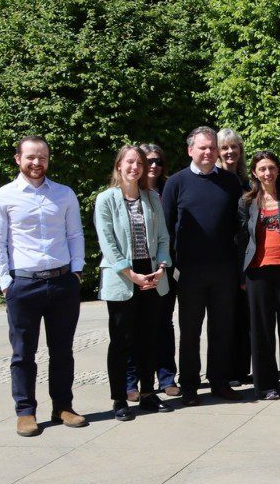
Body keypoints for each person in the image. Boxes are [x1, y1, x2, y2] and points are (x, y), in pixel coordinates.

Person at [0, 136, 87, 436]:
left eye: (42, 157)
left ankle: (63, 407)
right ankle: (25, 411)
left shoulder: (64, 194)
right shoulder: (1, 197)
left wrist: (76, 272)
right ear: (18, 159)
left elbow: (75, 234)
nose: (37, 162)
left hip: (62, 282)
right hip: (23, 285)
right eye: (31, 157)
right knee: (23, 353)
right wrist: (5, 283)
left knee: (63, 350)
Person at [162, 126, 244, 406]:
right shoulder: (176, 183)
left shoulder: (230, 182)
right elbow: (167, 228)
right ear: (190, 150)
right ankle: (189, 386)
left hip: (224, 270)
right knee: (190, 331)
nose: (208, 152)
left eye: (212, 147)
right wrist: (172, 266)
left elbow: (239, 225)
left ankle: (220, 381)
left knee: (222, 329)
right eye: (203, 147)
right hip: (190, 272)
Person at [96, 145, 174, 421]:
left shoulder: (151, 197)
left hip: (152, 274)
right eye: (129, 162)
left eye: (139, 163)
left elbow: (163, 237)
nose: (135, 167)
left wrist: (162, 267)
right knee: (121, 341)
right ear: (119, 165)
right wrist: (131, 274)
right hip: (123, 277)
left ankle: (148, 393)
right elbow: (108, 243)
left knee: (149, 337)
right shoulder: (106, 199)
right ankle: (120, 399)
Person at [240, 150, 280, 400]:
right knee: (261, 330)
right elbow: (240, 239)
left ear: (278, 170)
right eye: (262, 169)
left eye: (271, 168)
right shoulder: (247, 201)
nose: (267, 173)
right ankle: (266, 385)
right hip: (257, 272)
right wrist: (241, 275)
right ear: (255, 173)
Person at [134, 143, 180, 399]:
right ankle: (134, 381)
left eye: (158, 161)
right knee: (135, 325)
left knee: (163, 321)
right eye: (148, 161)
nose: (153, 166)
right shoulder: (129, 191)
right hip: (136, 269)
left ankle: (166, 377)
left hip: (164, 266)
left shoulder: (169, 189)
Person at [217, 128, 251, 386]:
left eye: (234, 147)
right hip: (223, 256)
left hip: (245, 255)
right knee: (224, 315)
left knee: (244, 314)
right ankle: (225, 370)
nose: (230, 152)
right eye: (225, 148)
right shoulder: (214, 180)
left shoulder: (247, 182)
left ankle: (241, 368)